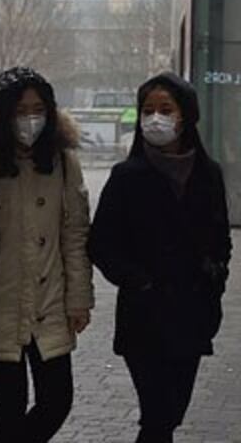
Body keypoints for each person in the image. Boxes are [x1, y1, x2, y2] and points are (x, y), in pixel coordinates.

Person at [88, 72, 231, 443]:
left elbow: (220, 239)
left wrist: (215, 278)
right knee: (157, 415)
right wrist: (140, 281)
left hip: (192, 313)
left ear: (186, 115)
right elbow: (101, 243)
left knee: (171, 413)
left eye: (165, 109)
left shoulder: (208, 174)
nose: (156, 118)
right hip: (144, 317)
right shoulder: (126, 176)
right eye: (148, 110)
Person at [0, 67, 94, 443]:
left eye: (38, 109)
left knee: (58, 399)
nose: (30, 119)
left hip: (50, 298)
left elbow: (75, 233)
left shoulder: (63, 160)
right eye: (21, 110)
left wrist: (79, 299)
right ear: (3, 114)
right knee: (9, 401)